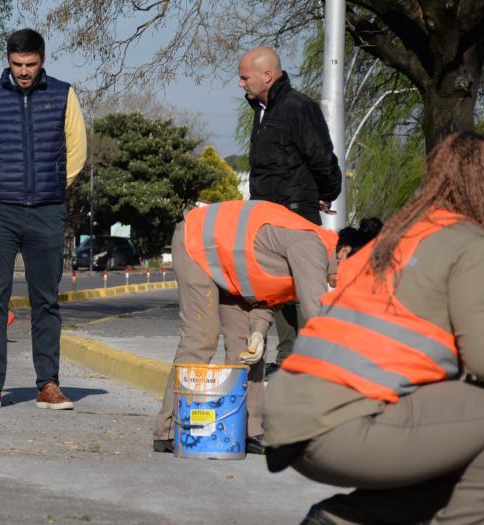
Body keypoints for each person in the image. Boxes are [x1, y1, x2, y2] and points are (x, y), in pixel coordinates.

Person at [263, 132, 484, 525]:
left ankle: (346, 519)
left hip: (291, 411)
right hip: (343, 421)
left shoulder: (397, 237)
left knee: (460, 448)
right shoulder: (468, 243)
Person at [152, 200, 339, 454]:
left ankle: (249, 429)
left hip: (231, 266)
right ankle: (168, 428)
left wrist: (258, 333)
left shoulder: (314, 252)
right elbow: (318, 313)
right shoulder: (310, 246)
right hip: (195, 243)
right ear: (346, 251)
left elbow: (270, 294)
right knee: (201, 337)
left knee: (246, 348)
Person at [0, 28, 87, 410]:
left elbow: (77, 151)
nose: (23, 71)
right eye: (16, 64)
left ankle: (48, 384)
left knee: (45, 299)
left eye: (30, 64)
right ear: (8, 61)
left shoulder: (64, 95)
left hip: (47, 210)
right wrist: (0, 186)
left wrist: (49, 185)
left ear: (42, 60)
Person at [239, 46, 344, 379]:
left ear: (267, 76)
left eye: (245, 77)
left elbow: (322, 158)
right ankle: (287, 359)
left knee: (304, 291)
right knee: (277, 288)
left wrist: (324, 195)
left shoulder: (299, 108)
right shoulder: (262, 110)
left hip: (296, 214)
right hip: (266, 216)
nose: (241, 84)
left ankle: (314, 364)